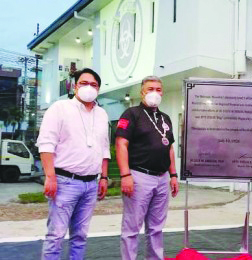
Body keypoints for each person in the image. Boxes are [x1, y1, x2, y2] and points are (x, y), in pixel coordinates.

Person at [37, 68, 110, 259]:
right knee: (56, 235)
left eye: (93, 85)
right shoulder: (59, 108)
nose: (89, 88)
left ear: (99, 89)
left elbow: (104, 149)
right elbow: (46, 144)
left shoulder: (102, 114)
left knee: (80, 236)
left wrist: (103, 177)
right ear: (74, 86)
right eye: (83, 83)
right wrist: (50, 177)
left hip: (91, 184)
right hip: (64, 182)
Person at [115, 75, 179, 260]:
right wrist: (125, 174)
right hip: (139, 176)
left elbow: (170, 148)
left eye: (158, 89)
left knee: (156, 228)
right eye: (150, 89)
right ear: (142, 92)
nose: (154, 93)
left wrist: (173, 175)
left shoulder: (165, 118)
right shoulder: (131, 114)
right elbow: (121, 145)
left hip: (162, 178)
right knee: (132, 228)